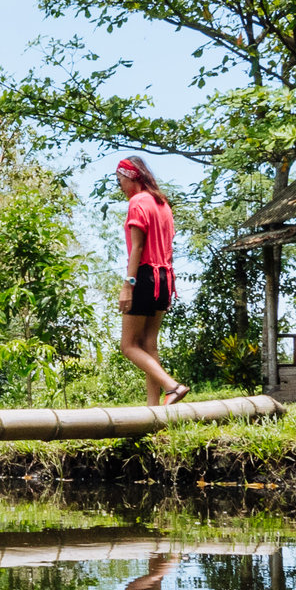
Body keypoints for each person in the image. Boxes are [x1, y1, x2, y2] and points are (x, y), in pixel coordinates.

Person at [114, 156, 188, 406]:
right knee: (148, 343)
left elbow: (138, 247)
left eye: (120, 180)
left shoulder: (137, 202)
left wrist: (128, 285)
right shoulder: (162, 203)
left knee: (129, 346)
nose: (120, 186)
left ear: (131, 177)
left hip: (144, 276)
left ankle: (172, 386)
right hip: (165, 278)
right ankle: (153, 408)